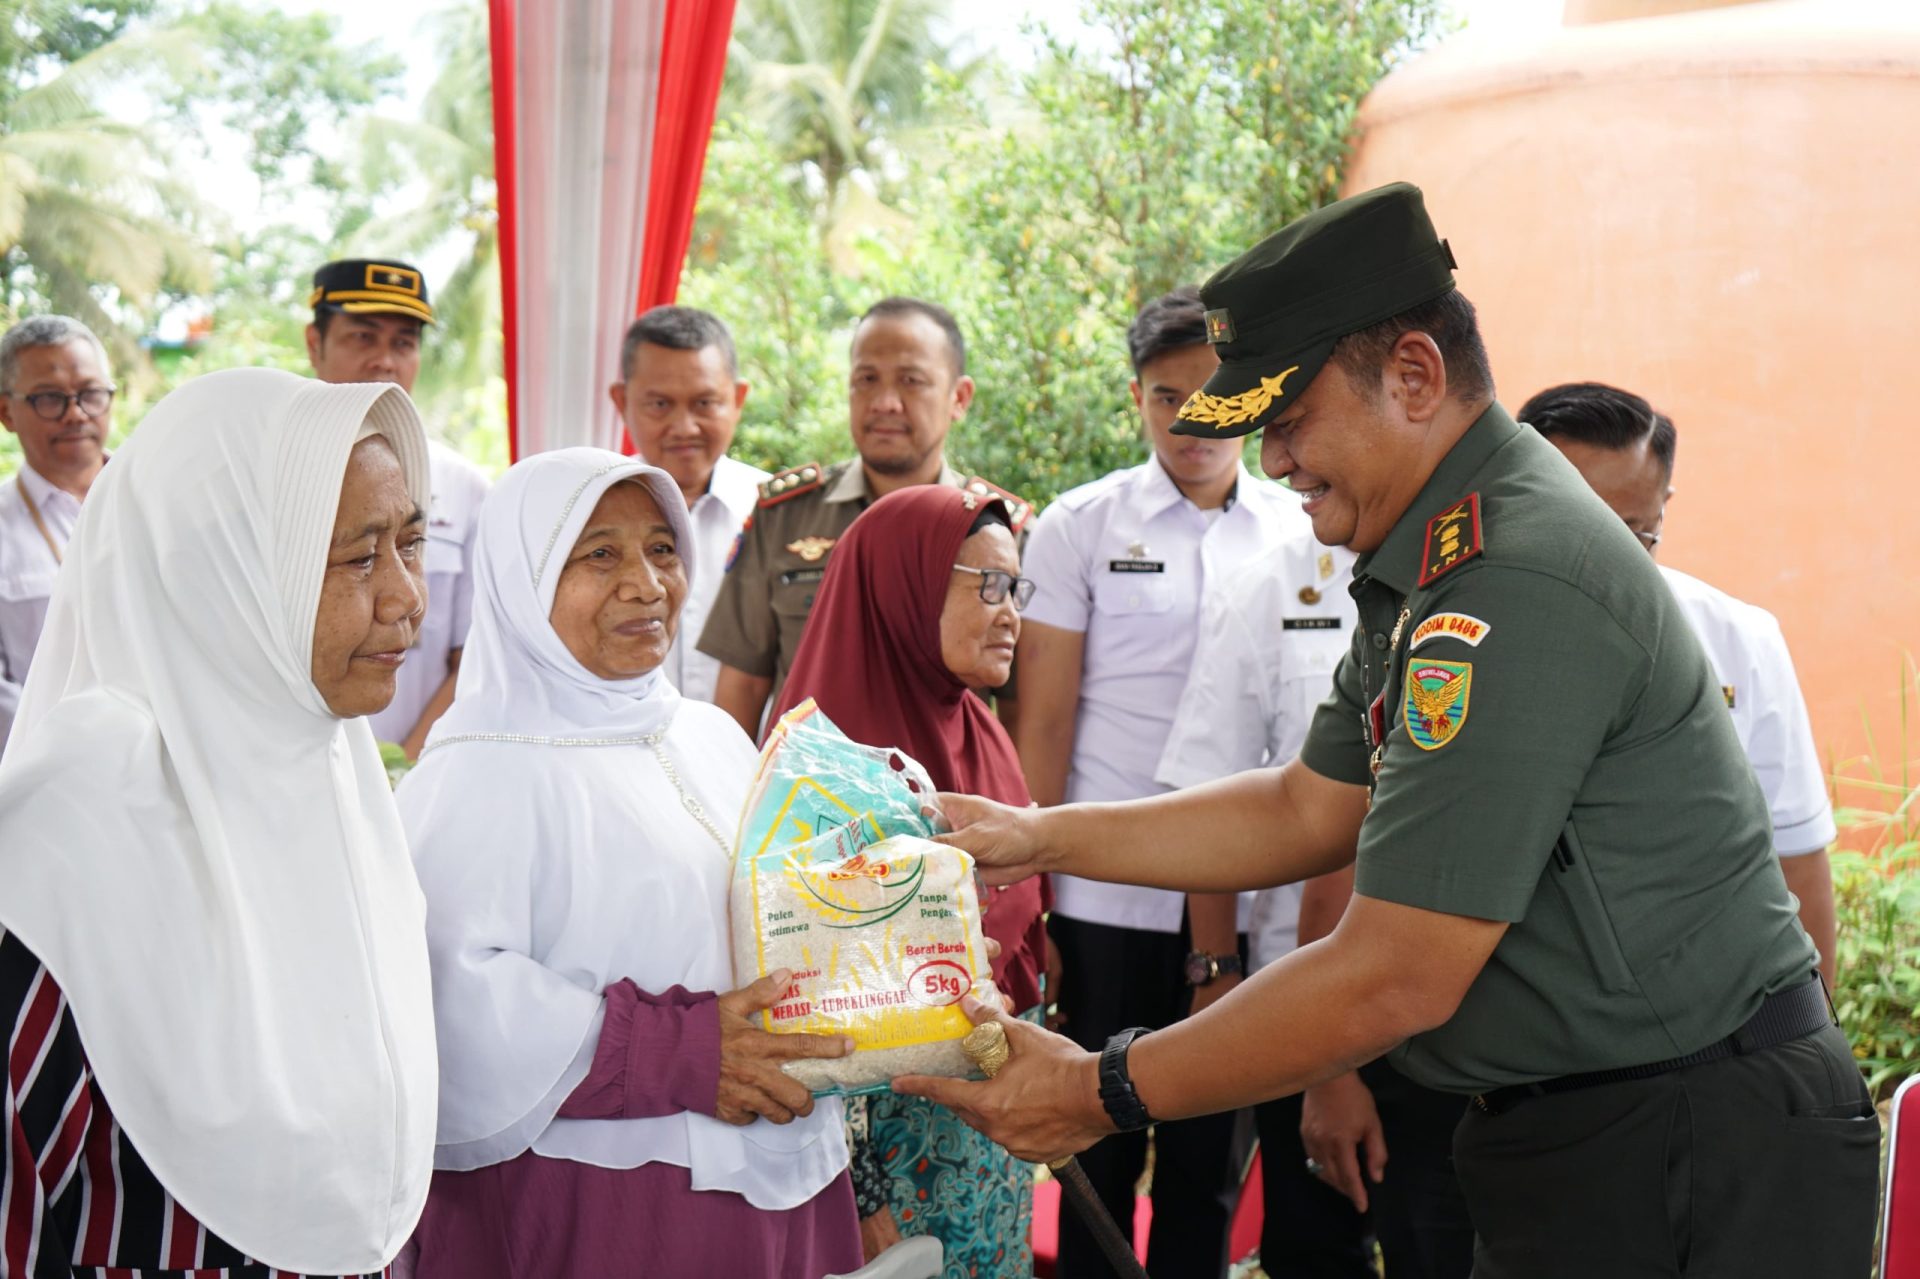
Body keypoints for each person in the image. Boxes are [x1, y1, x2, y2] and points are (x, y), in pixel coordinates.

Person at [896, 182, 1880, 1279]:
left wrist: (1099, 1088)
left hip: (1691, 1146)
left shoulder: (1512, 576)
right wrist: (1035, 836)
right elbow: (1303, 806)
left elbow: (1394, 972)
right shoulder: (1430, 557)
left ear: (1414, 376)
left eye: (1289, 420)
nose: (1274, 461)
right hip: (1600, 1133)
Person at [0, 367, 439, 1276]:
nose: (408, 598)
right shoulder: (66, 833)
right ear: (225, 572)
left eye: (410, 542)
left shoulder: (335, 768)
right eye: (359, 557)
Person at [396, 448, 861, 1279]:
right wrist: (678, 1051)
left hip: (781, 1161)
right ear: (523, 577)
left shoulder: (709, 734)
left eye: (662, 548)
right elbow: (451, 999)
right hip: (611, 1203)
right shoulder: (479, 767)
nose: (646, 585)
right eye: (599, 553)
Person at [1013, 287, 1306, 1279]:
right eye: (1167, 397)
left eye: (1216, 396)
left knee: (1208, 1156)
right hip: (1108, 896)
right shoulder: (1081, 525)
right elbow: (1044, 721)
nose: (1193, 420)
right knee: (1096, 1142)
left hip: (1248, 892)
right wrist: (1032, 896)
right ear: (1137, 397)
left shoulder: (1302, 530)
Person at [1157, 540, 1477, 1279]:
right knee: (1314, 1245)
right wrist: (1223, 976)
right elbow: (1293, 813)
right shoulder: (1266, 582)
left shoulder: (1494, 592)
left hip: (1456, 1019)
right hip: (1307, 991)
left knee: (1438, 1245)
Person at [771, 484, 1048, 1278]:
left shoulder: (980, 730)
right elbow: (805, 1005)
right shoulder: (824, 779)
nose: (1010, 613)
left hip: (985, 1134)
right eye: (987, 585)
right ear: (905, 590)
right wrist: (857, 1192)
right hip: (886, 1155)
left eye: (1016, 588)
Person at [1522, 381, 1840, 989]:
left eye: (1634, 531)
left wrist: (1818, 1024)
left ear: (1663, 504)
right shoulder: (1463, 645)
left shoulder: (1740, 639)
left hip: (1713, 1010)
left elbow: (1796, 856)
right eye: (1574, 525)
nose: (1602, 558)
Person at [697, 296, 1029, 739]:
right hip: (808, 780)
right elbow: (742, 688)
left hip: (944, 781)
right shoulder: (785, 518)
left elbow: (1023, 712)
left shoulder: (1000, 535)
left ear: (959, 397)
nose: (885, 402)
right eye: (866, 379)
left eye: (911, 381)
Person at [307, 256, 491, 757]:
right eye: (363, 338)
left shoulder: (465, 490)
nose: (384, 361)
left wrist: (405, 768)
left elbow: (473, 658)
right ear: (315, 344)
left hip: (418, 763)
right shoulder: (270, 475)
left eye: (403, 343)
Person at [607, 305, 768, 703]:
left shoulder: (778, 513)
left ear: (738, 399)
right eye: (660, 405)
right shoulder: (587, 514)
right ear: (622, 402)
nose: (684, 427)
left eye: (704, 403)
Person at [0, 315, 114, 746]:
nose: (76, 414)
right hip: (49, 766)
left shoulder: (164, 504)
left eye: (90, 393)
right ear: (6, 411)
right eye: (50, 398)